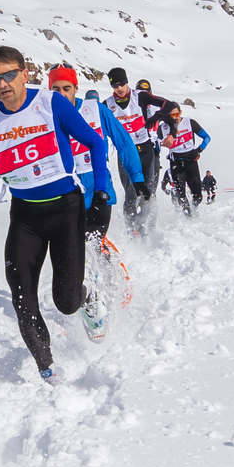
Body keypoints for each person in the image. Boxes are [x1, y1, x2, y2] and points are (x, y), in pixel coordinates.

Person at [0, 49, 111, 382]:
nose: (2, 84)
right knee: (22, 298)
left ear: (24, 73)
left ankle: (87, 292)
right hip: (24, 216)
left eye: (8, 75)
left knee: (65, 303)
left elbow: (94, 142)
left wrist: (102, 193)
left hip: (66, 209)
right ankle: (48, 370)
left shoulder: (51, 104)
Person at [50, 71, 144, 337]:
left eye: (66, 88)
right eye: (54, 89)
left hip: (99, 192)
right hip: (66, 195)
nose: (60, 94)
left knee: (91, 242)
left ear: (76, 88)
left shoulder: (95, 110)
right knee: (75, 248)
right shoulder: (46, 115)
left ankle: (102, 292)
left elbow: (123, 141)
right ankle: (91, 296)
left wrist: (136, 177)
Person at [103, 68, 172, 232]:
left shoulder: (140, 96)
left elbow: (168, 105)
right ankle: (132, 230)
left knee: (148, 192)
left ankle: (148, 226)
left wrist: (158, 118)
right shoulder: (107, 104)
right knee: (131, 193)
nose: (119, 88)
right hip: (126, 152)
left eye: (121, 84)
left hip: (146, 149)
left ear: (127, 82)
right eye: (115, 85)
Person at [155, 104, 210, 215]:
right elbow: (155, 142)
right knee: (182, 197)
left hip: (191, 162)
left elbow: (207, 137)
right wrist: (158, 150)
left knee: (198, 196)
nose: (174, 117)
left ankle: (193, 210)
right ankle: (188, 218)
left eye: (177, 114)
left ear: (180, 112)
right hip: (176, 163)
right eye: (171, 115)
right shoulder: (163, 128)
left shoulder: (190, 123)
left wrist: (199, 150)